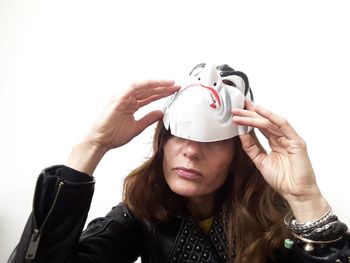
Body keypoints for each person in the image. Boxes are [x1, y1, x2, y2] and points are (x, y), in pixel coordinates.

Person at [8, 63, 350, 263]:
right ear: (163, 139)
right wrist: (90, 147)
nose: (191, 151)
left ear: (237, 154)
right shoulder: (142, 214)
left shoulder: (279, 220)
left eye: (212, 142)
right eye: (180, 134)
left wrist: (306, 200)